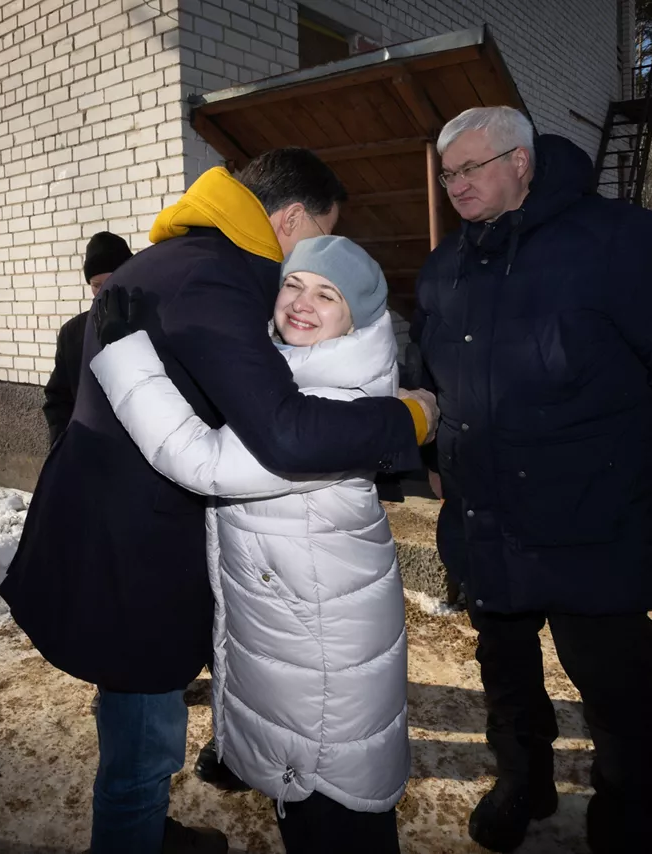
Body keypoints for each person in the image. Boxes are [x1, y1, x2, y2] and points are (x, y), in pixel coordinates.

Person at [0, 149, 438, 854]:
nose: (304, 281)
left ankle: (144, 830)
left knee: (138, 729)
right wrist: (411, 418)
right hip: (137, 559)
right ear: (290, 218)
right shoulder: (220, 279)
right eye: (313, 240)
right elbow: (281, 437)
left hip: (115, 540)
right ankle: (136, 837)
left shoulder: (167, 259)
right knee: (143, 747)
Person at [412, 106, 652, 854]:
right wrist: (437, 460)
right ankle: (520, 782)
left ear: (522, 163)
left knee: (614, 682)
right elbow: (427, 374)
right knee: (503, 665)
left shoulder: (619, 241)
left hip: (592, 506)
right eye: (448, 173)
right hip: (487, 511)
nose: (455, 185)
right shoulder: (446, 265)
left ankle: (631, 818)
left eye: (471, 168)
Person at [89, 236, 407, 854]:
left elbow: (203, 461)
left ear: (358, 321)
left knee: (338, 821)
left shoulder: (331, 408)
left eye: (327, 295)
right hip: (304, 643)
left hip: (322, 665)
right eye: (294, 284)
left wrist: (129, 355)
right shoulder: (296, 378)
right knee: (309, 815)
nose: (302, 303)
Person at [42, 232, 133, 445]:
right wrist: (62, 445)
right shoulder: (73, 332)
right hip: (92, 452)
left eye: (113, 280)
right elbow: (58, 399)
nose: (104, 291)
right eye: (96, 284)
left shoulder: (150, 323)